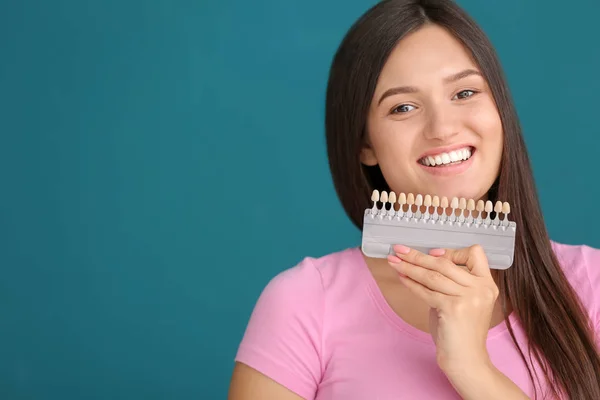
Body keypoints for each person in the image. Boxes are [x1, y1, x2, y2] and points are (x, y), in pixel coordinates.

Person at [227, 0, 600, 399]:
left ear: (500, 110)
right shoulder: (303, 302)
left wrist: (472, 368)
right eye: (403, 107)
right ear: (365, 144)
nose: (442, 128)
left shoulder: (591, 284)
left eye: (465, 92)